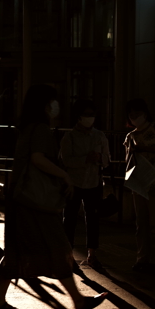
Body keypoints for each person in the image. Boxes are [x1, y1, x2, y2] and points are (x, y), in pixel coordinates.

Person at [0, 84, 107, 309]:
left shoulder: (27, 127)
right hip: (36, 202)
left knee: (16, 251)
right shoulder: (41, 129)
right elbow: (38, 158)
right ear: (45, 105)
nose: (57, 106)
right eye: (54, 101)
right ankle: (78, 300)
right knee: (59, 245)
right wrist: (64, 176)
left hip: (21, 197)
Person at [59, 99, 110, 269]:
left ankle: (92, 254)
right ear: (79, 117)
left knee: (93, 218)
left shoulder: (99, 136)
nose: (90, 118)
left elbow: (107, 160)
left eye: (92, 115)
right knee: (70, 219)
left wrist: (99, 159)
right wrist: (85, 159)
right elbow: (65, 160)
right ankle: (67, 254)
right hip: (73, 183)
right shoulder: (70, 137)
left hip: (94, 182)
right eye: (86, 115)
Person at [124, 98, 155, 274]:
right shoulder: (130, 136)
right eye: (131, 114)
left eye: (137, 113)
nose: (134, 117)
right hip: (139, 183)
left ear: (145, 113)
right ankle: (142, 258)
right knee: (141, 223)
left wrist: (144, 148)